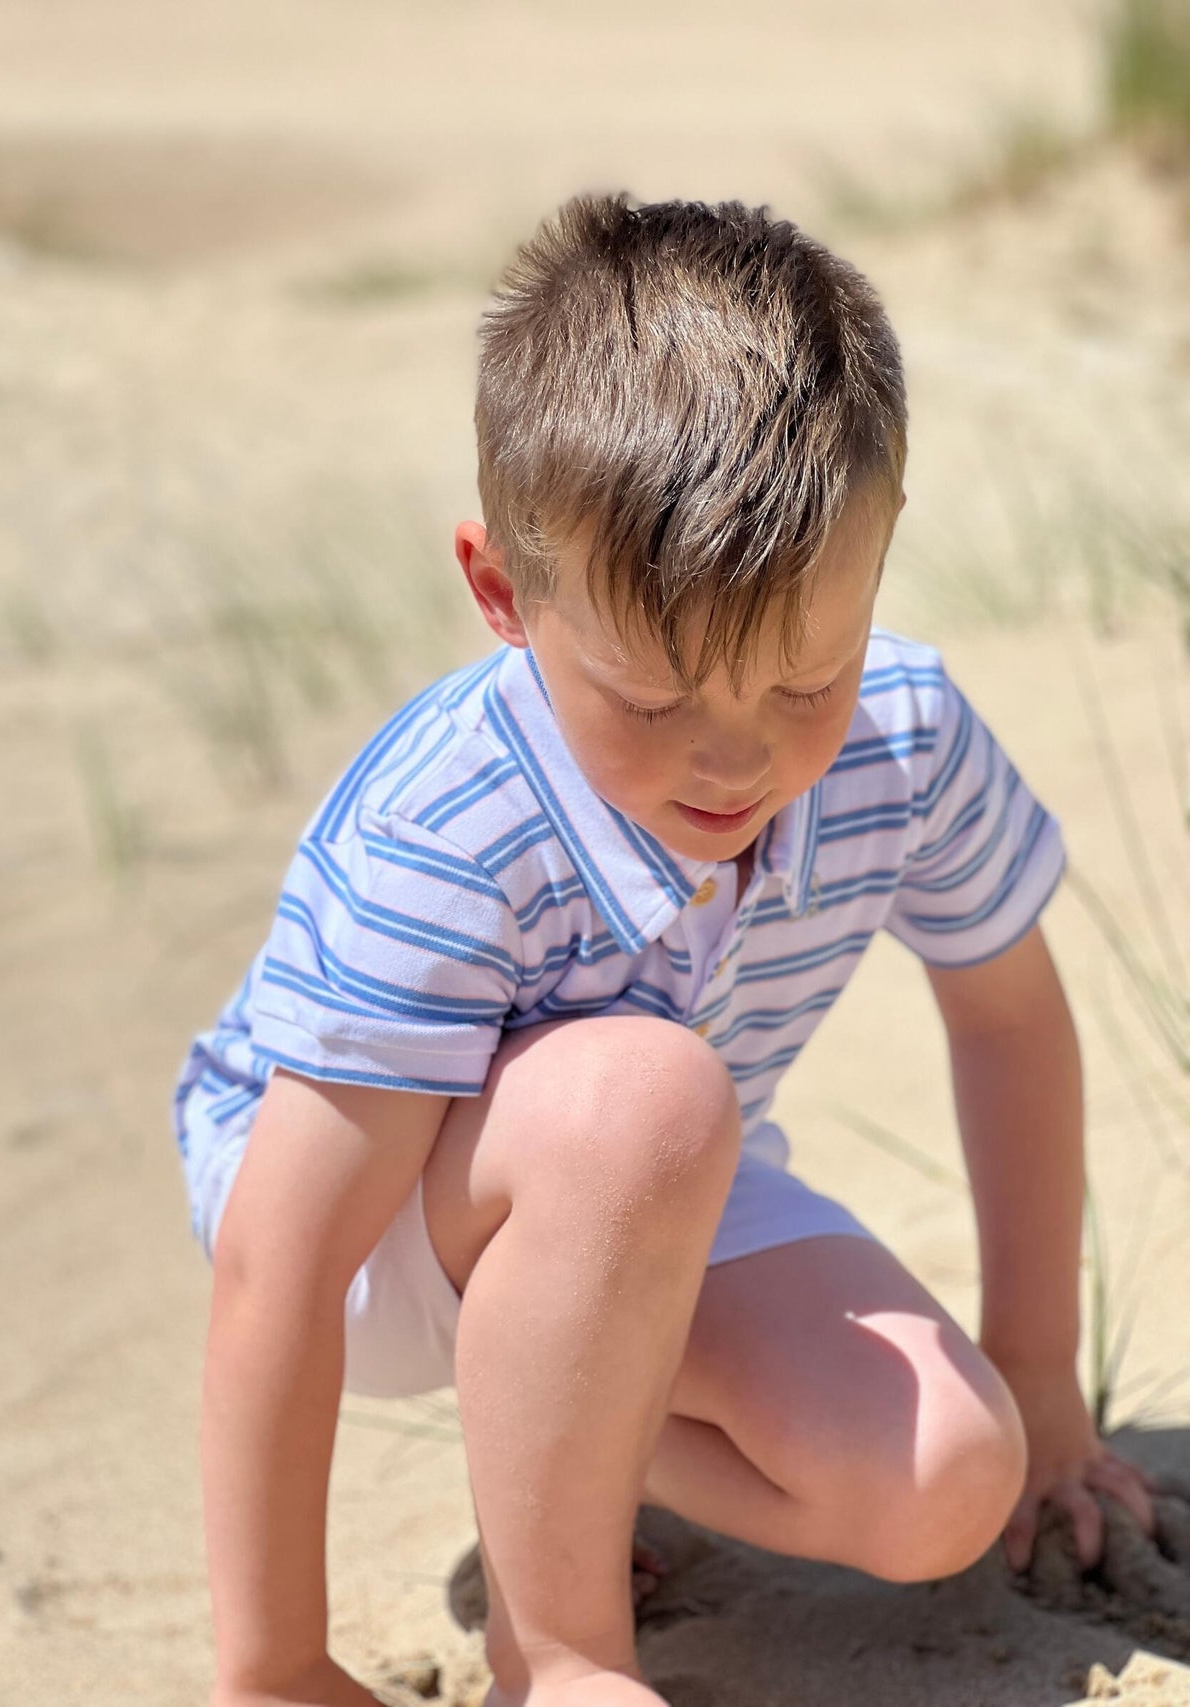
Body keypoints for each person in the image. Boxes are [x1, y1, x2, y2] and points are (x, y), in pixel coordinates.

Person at [175, 194, 1155, 1707]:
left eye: (804, 679)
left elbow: (1011, 1021)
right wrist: (275, 1664)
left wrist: (1038, 1370)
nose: (737, 759)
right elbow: (276, 1266)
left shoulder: (905, 737)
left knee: (946, 1473)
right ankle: (557, 1652)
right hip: (362, 1227)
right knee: (647, 1096)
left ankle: (556, 1445)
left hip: (644, 1190)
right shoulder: (455, 820)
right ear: (504, 591)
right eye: (651, 702)